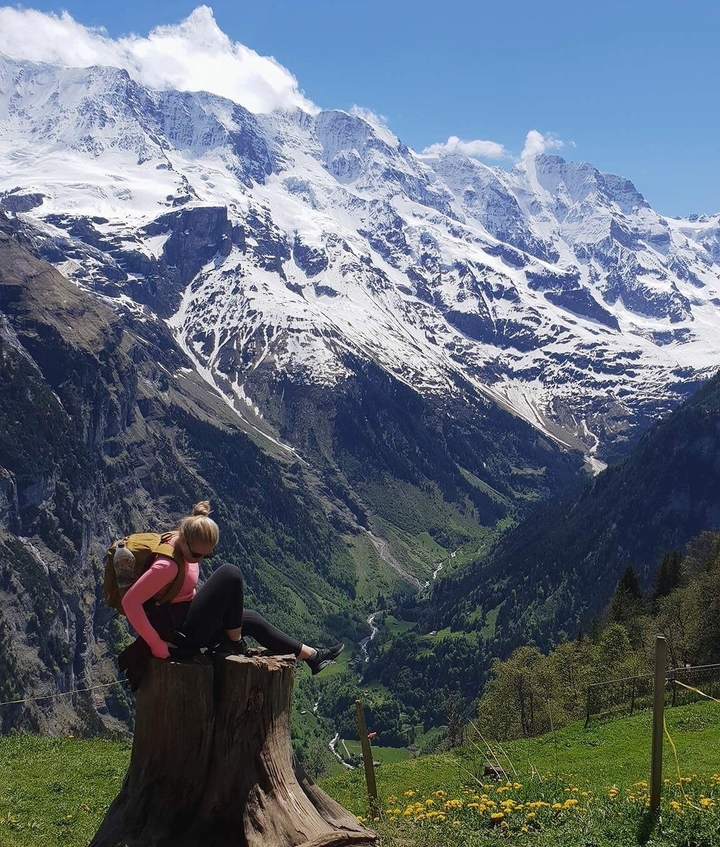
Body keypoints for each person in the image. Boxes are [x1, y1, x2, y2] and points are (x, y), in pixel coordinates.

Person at [118, 501, 344, 689]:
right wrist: (156, 645)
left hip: (185, 619)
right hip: (178, 636)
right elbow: (130, 603)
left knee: (252, 619)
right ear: (184, 541)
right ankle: (233, 641)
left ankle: (313, 656)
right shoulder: (166, 566)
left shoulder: (185, 538)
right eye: (197, 555)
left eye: (207, 555)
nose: (200, 560)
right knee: (230, 573)